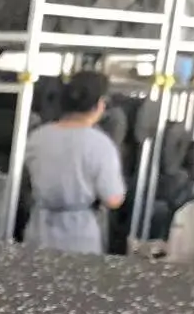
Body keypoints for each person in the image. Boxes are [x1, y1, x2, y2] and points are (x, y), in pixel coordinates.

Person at [23, 70, 126, 255]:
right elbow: (113, 199)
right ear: (99, 104)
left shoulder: (37, 137)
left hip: (39, 228)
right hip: (79, 236)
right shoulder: (101, 144)